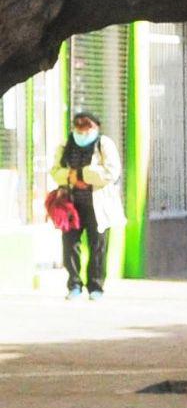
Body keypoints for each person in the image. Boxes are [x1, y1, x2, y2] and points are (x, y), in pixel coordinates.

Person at [49, 111, 117, 302]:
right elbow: (55, 171)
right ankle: (74, 284)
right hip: (72, 205)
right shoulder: (65, 146)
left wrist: (80, 175)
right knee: (70, 244)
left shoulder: (104, 144)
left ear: (95, 127)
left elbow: (111, 172)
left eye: (87, 128)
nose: (83, 132)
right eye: (79, 128)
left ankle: (96, 286)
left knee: (98, 246)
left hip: (98, 205)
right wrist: (68, 177)